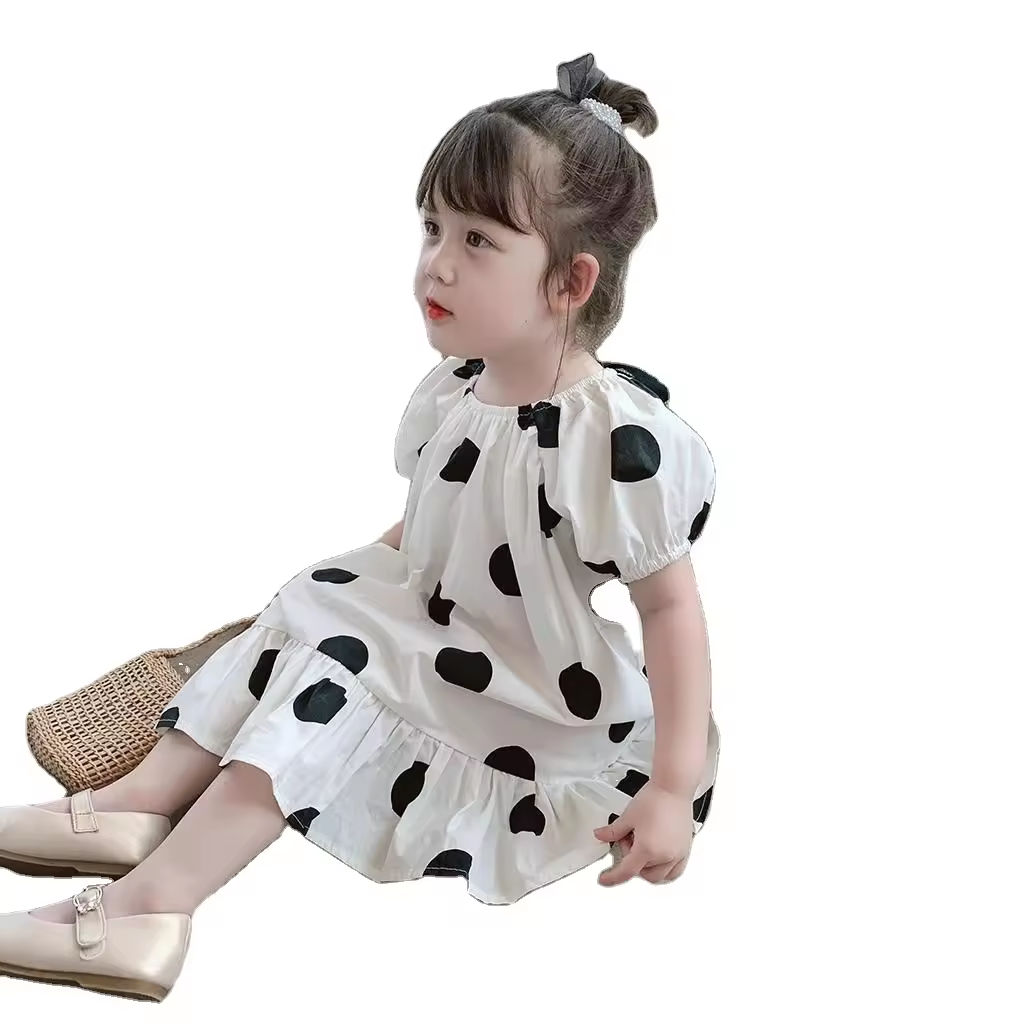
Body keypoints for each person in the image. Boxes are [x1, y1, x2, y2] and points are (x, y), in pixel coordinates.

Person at [0, 53, 720, 1002]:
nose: (437, 263)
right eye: (432, 228)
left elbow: (670, 609)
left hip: (526, 691)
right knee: (320, 604)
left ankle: (151, 907)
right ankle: (140, 803)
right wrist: (326, 595)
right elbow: (447, 519)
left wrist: (670, 788)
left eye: (478, 240)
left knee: (337, 678)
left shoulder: (612, 440)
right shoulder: (460, 391)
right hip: (449, 632)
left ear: (569, 282)